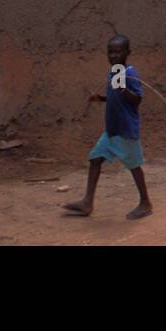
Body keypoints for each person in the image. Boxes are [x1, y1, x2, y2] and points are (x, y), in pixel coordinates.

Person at [63, 35, 153, 219]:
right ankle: (87, 202)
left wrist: (124, 90)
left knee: (134, 165)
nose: (113, 55)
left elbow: (137, 99)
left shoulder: (130, 73)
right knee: (95, 159)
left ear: (128, 53)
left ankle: (146, 202)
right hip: (112, 129)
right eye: (110, 52)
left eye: (117, 52)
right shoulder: (113, 72)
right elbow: (114, 97)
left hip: (126, 130)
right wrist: (101, 98)